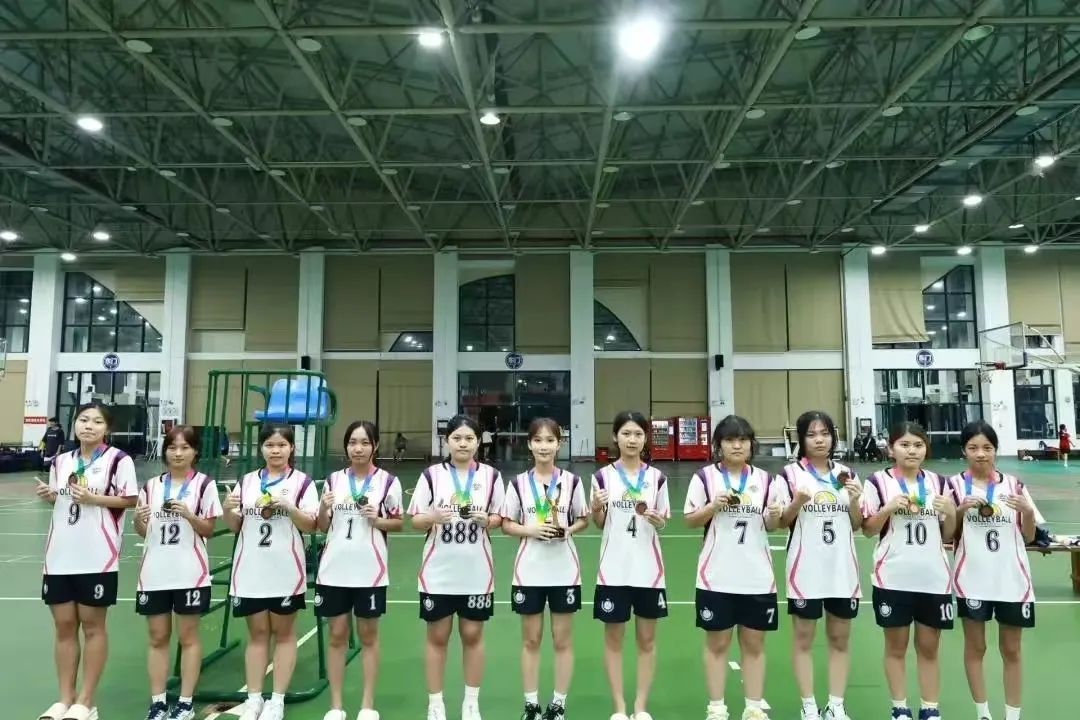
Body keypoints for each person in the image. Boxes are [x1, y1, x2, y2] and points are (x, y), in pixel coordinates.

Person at [34, 402, 139, 720]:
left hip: (97, 556)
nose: (88, 426)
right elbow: (63, 499)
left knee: (93, 627)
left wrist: (94, 499)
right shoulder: (61, 461)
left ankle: (86, 701)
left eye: (96, 421)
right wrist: (51, 496)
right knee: (64, 626)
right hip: (60, 556)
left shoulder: (118, 460)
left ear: (107, 428)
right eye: (83, 420)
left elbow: (130, 499)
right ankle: (64, 699)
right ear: (75, 424)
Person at [684, 415, 786, 720]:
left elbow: (773, 526)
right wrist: (712, 507)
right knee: (717, 643)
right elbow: (690, 520)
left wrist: (775, 515)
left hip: (757, 577)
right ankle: (716, 707)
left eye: (742, 439)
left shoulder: (766, 481)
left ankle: (753, 707)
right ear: (719, 445)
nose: (737, 445)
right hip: (716, 576)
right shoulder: (704, 478)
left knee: (754, 644)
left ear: (751, 444)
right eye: (730, 440)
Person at [408, 414, 505, 720]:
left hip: (477, 571)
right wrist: (432, 517)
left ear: (478, 442)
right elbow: (416, 520)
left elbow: (501, 518)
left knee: (473, 634)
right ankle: (435, 704)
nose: (463, 444)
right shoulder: (431, 476)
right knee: (437, 636)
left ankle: (471, 703)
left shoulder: (491, 476)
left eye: (469, 438)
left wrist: (488, 520)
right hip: (438, 572)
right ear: (447, 441)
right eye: (457, 438)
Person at [860, 423, 958, 720]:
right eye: (904, 444)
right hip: (893, 578)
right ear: (891, 449)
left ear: (926, 449)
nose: (911, 450)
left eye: (918, 445)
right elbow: (868, 530)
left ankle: (930, 709)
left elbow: (947, 535)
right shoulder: (877, 482)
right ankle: (899, 708)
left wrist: (951, 513)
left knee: (929, 648)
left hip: (933, 579)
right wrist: (887, 509)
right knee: (896, 647)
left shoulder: (940, 483)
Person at [222, 424, 318, 720]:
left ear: (292, 448)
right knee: (258, 634)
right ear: (261, 448)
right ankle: (253, 699)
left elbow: (311, 525)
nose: (275, 450)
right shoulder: (247, 481)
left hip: (286, 571)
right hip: (250, 570)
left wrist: (289, 507)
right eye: (269, 445)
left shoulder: (302, 483)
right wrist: (227, 509)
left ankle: (277, 700)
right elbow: (235, 526)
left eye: (281, 445)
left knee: (285, 634)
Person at [500, 418, 590, 720]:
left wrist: (568, 530)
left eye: (550, 440)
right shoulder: (517, 483)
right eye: (538, 440)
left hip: (564, 571)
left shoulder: (572, 482)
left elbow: (583, 519)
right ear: (529, 444)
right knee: (531, 640)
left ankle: (558, 704)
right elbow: (506, 524)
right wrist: (532, 530)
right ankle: (531, 705)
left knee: (562, 640)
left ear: (558, 444)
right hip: (529, 572)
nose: (544, 446)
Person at [949, 421, 1039, 720]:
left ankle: (1012, 716)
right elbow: (947, 534)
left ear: (995, 450)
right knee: (976, 648)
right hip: (971, 580)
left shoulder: (1014, 486)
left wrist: (1027, 512)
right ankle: (983, 714)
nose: (981, 454)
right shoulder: (953, 486)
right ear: (964, 451)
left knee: (1012, 650)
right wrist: (959, 510)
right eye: (973, 448)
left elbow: (1028, 537)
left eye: (987, 447)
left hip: (1012, 580)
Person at [315, 421, 404, 720]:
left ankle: (367, 705)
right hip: (334, 570)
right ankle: (335, 706)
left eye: (365, 442)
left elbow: (398, 523)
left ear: (375, 446)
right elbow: (323, 526)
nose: (358, 448)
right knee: (336, 635)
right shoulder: (333, 481)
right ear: (346, 446)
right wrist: (323, 509)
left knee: (368, 636)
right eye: (353, 442)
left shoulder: (388, 482)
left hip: (370, 571)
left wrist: (378, 520)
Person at [133, 425, 222, 720]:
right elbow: (143, 531)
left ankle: (185, 702)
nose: (178, 453)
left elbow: (209, 529)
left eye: (185, 448)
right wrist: (138, 520)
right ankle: (158, 702)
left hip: (190, 573)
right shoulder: (151, 486)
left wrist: (189, 515)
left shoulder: (205, 485)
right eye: (172, 447)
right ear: (165, 451)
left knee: (188, 637)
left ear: (195, 452)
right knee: (157, 637)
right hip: (154, 572)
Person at [779, 410, 863, 720]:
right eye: (812, 434)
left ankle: (836, 705)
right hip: (805, 570)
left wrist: (855, 501)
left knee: (840, 639)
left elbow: (857, 524)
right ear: (801, 439)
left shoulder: (847, 474)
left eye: (825, 433)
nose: (819, 440)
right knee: (803, 639)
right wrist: (797, 502)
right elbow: (780, 521)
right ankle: (809, 705)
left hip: (842, 569)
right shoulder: (789, 475)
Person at [591, 411, 670, 720]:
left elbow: (663, 520)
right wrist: (596, 508)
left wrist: (658, 520)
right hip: (613, 570)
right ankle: (620, 708)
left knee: (647, 641)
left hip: (649, 572)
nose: (632, 439)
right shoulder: (602, 477)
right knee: (613, 640)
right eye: (626, 433)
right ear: (615, 437)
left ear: (645, 438)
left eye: (638, 434)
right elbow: (599, 523)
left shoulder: (657, 478)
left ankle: (640, 707)